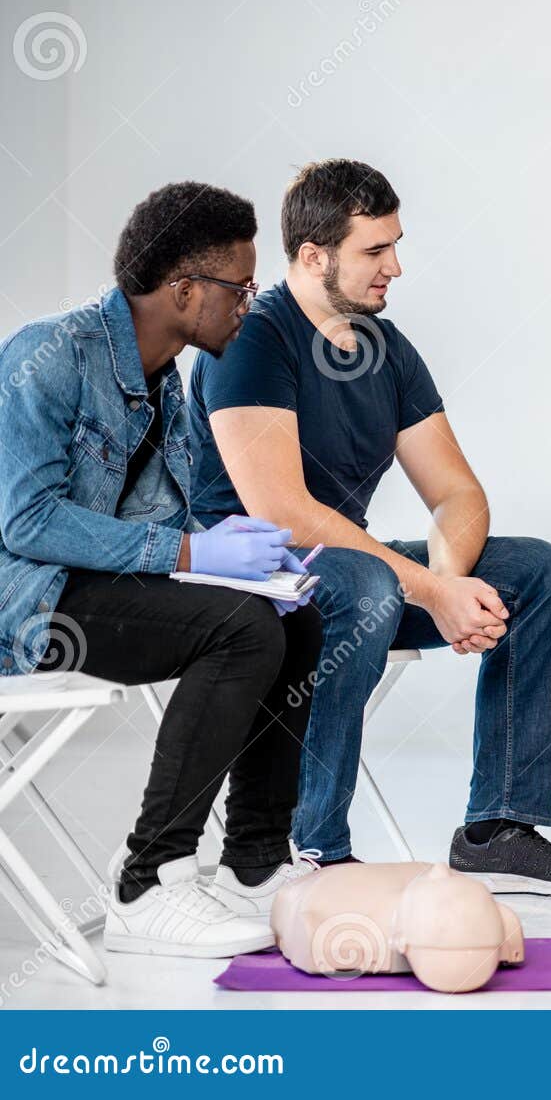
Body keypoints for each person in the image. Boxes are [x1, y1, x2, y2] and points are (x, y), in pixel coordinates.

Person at [188, 159, 551, 894]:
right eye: (375, 251)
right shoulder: (252, 340)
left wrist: (449, 584)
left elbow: (456, 492)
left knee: (536, 572)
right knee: (367, 584)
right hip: (248, 574)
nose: (396, 266)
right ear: (313, 256)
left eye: (396, 244)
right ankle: (308, 847)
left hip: (351, 573)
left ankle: (499, 829)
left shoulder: (382, 349)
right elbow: (281, 513)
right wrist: (423, 589)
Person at [0, 183, 322, 957]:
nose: (250, 303)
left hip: (97, 592)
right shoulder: (48, 355)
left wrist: (223, 545)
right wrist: (191, 556)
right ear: (183, 290)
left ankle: (252, 862)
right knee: (240, 632)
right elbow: (26, 519)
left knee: (291, 616)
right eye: (239, 288)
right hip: (30, 606)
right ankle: (148, 880)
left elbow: (147, 528)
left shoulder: (165, 386)